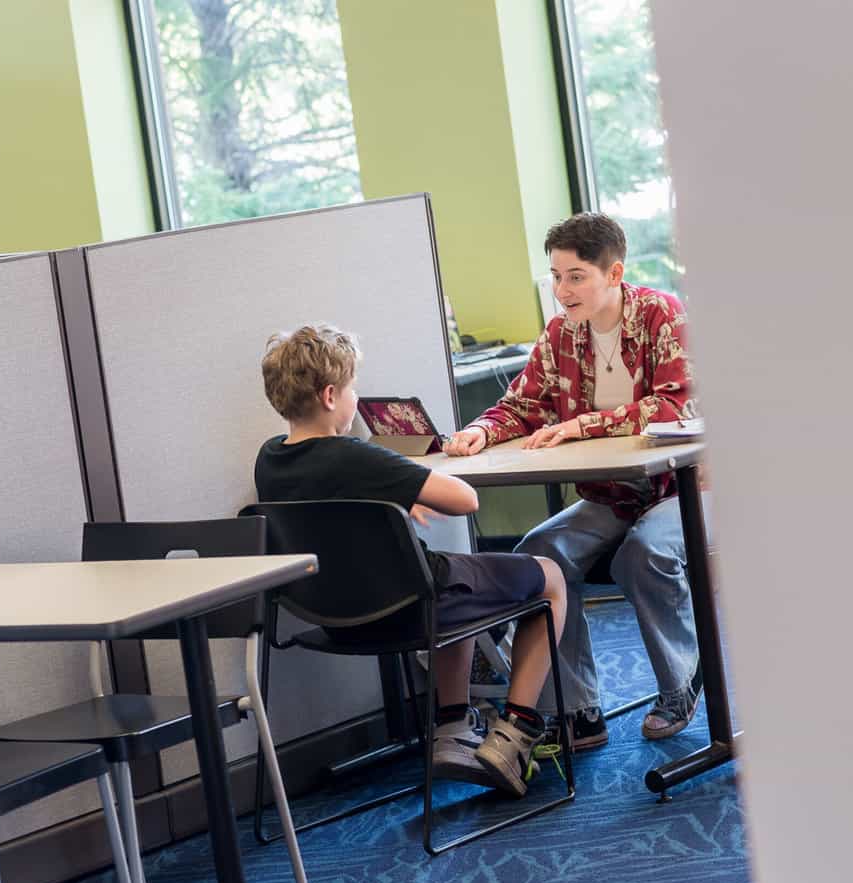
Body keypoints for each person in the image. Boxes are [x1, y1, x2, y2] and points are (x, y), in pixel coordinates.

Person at [254, 323, 566, 797]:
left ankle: (453, 729)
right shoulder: (354, 456)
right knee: (551, 577)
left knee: (450, 578)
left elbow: (336, 508)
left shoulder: (268, 460)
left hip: (335, 618)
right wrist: (403, 475)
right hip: (412, 611)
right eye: (354, 387)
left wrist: (393, 498)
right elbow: (464, 500)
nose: (356, 397)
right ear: (331, 394)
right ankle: (516, 733)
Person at [444, 213, 703, 750]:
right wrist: (480, 431)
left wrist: (580, 424)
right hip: (614, 492)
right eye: (557, 277)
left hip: (683, 489)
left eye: (576, 276)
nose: (563, 291)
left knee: (645, 553)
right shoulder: (562, 332)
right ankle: (578, 708)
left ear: (614, 273)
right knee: (541, 553)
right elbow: (522, 405)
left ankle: (681, 682)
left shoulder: (662, 314)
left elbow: (672, 404)